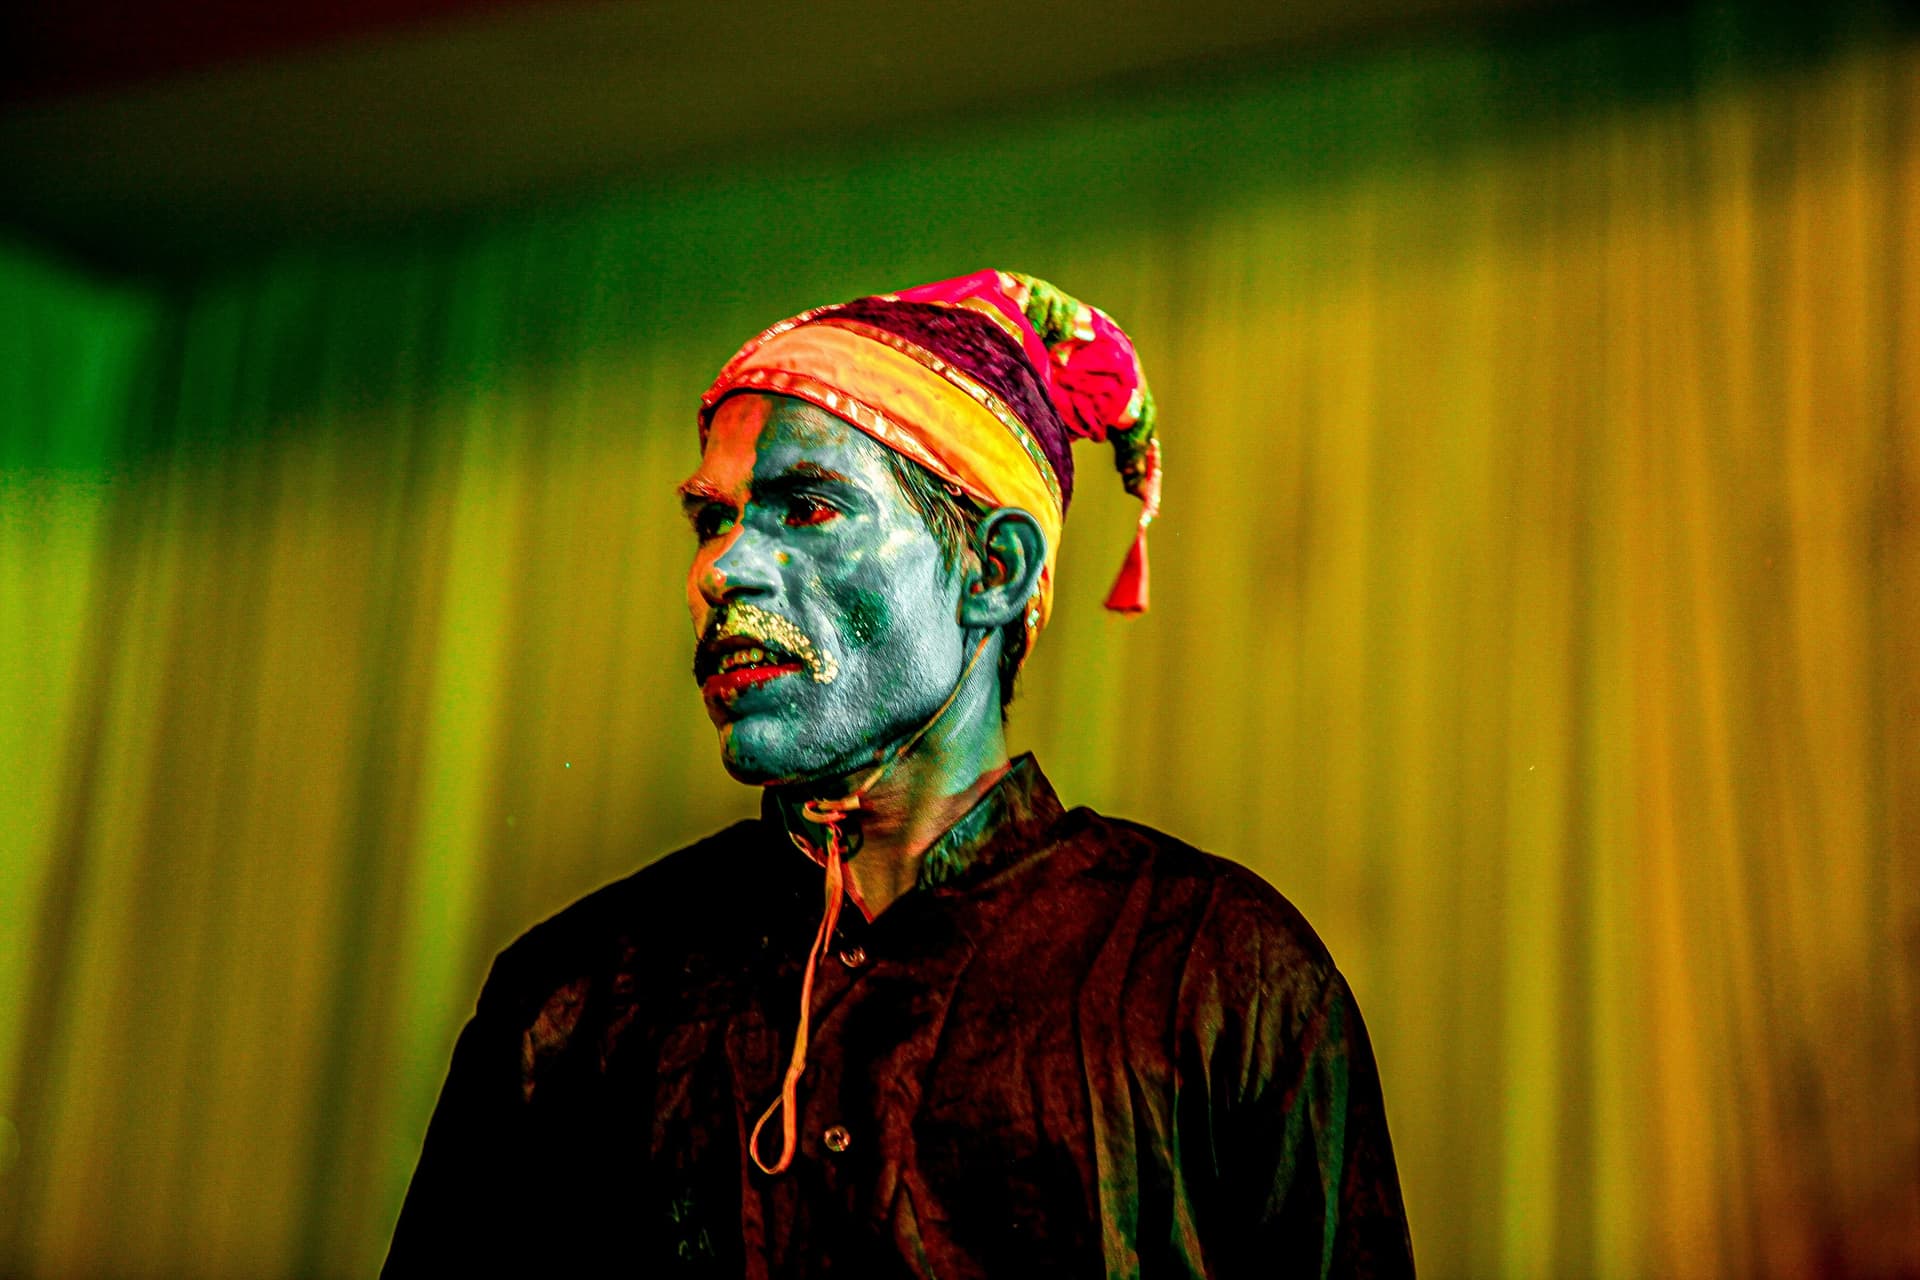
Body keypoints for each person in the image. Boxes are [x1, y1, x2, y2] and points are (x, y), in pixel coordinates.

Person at [383, 270, 1415, 1277]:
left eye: (807, 507)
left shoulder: (1218, 977)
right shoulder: (572, 999)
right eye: (711, 519)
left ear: (994, 570)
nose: (722, 570)